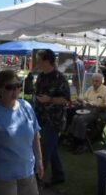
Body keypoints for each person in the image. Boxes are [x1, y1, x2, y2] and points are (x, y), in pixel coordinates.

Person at [0, 70, 43, 195]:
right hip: (2, 178)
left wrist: (39, 160)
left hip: (28, 173)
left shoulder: (26, 106)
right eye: (10, 87)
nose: (15, 90)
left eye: (18, 86)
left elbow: (35, 135)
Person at [34, 49, 70, 186]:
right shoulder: (41, 76)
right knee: (52, 148)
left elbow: (66, 99)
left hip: (53, 120)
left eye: (39, 60)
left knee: (43, 150)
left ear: (48, 61)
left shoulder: (60, 78)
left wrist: (50, 99)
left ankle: (36, 180)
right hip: (40, 117)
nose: (37, 63)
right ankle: (59, 175)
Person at [69, 73, 106, 154]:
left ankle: (81, 144)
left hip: (99, 111)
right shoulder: (90, 89)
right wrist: (81, 100)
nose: (94, 83)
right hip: (88, 109)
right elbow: (83, 98)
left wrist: (98, 105)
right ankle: (75, 142)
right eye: (93, 81)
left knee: (81, 119)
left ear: (101, 82)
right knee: (75, 117)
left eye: (97, 81)